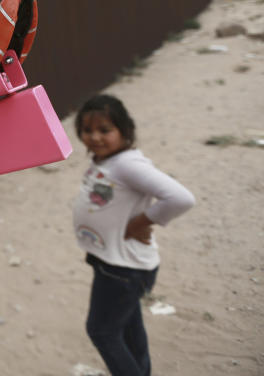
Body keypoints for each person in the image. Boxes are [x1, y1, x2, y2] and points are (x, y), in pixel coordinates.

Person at [73, 95, 195, 376]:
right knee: (128, 326)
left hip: (124, 269)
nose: (95, 137)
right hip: (111, 262)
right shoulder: (106, 160)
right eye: (87, 130)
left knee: (102, 331)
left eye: (105, 130)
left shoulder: (128, 165)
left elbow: (181, 198)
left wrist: (143, 221)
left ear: (125, 131)